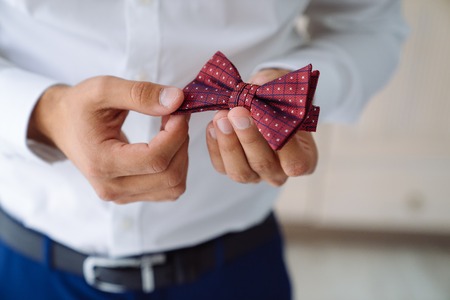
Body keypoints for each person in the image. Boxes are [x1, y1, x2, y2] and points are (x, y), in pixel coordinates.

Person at [0, 1, 407, 299]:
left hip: (236, 271)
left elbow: (368, 25)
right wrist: (44, 113)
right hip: (24, 268)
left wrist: (286, 92)